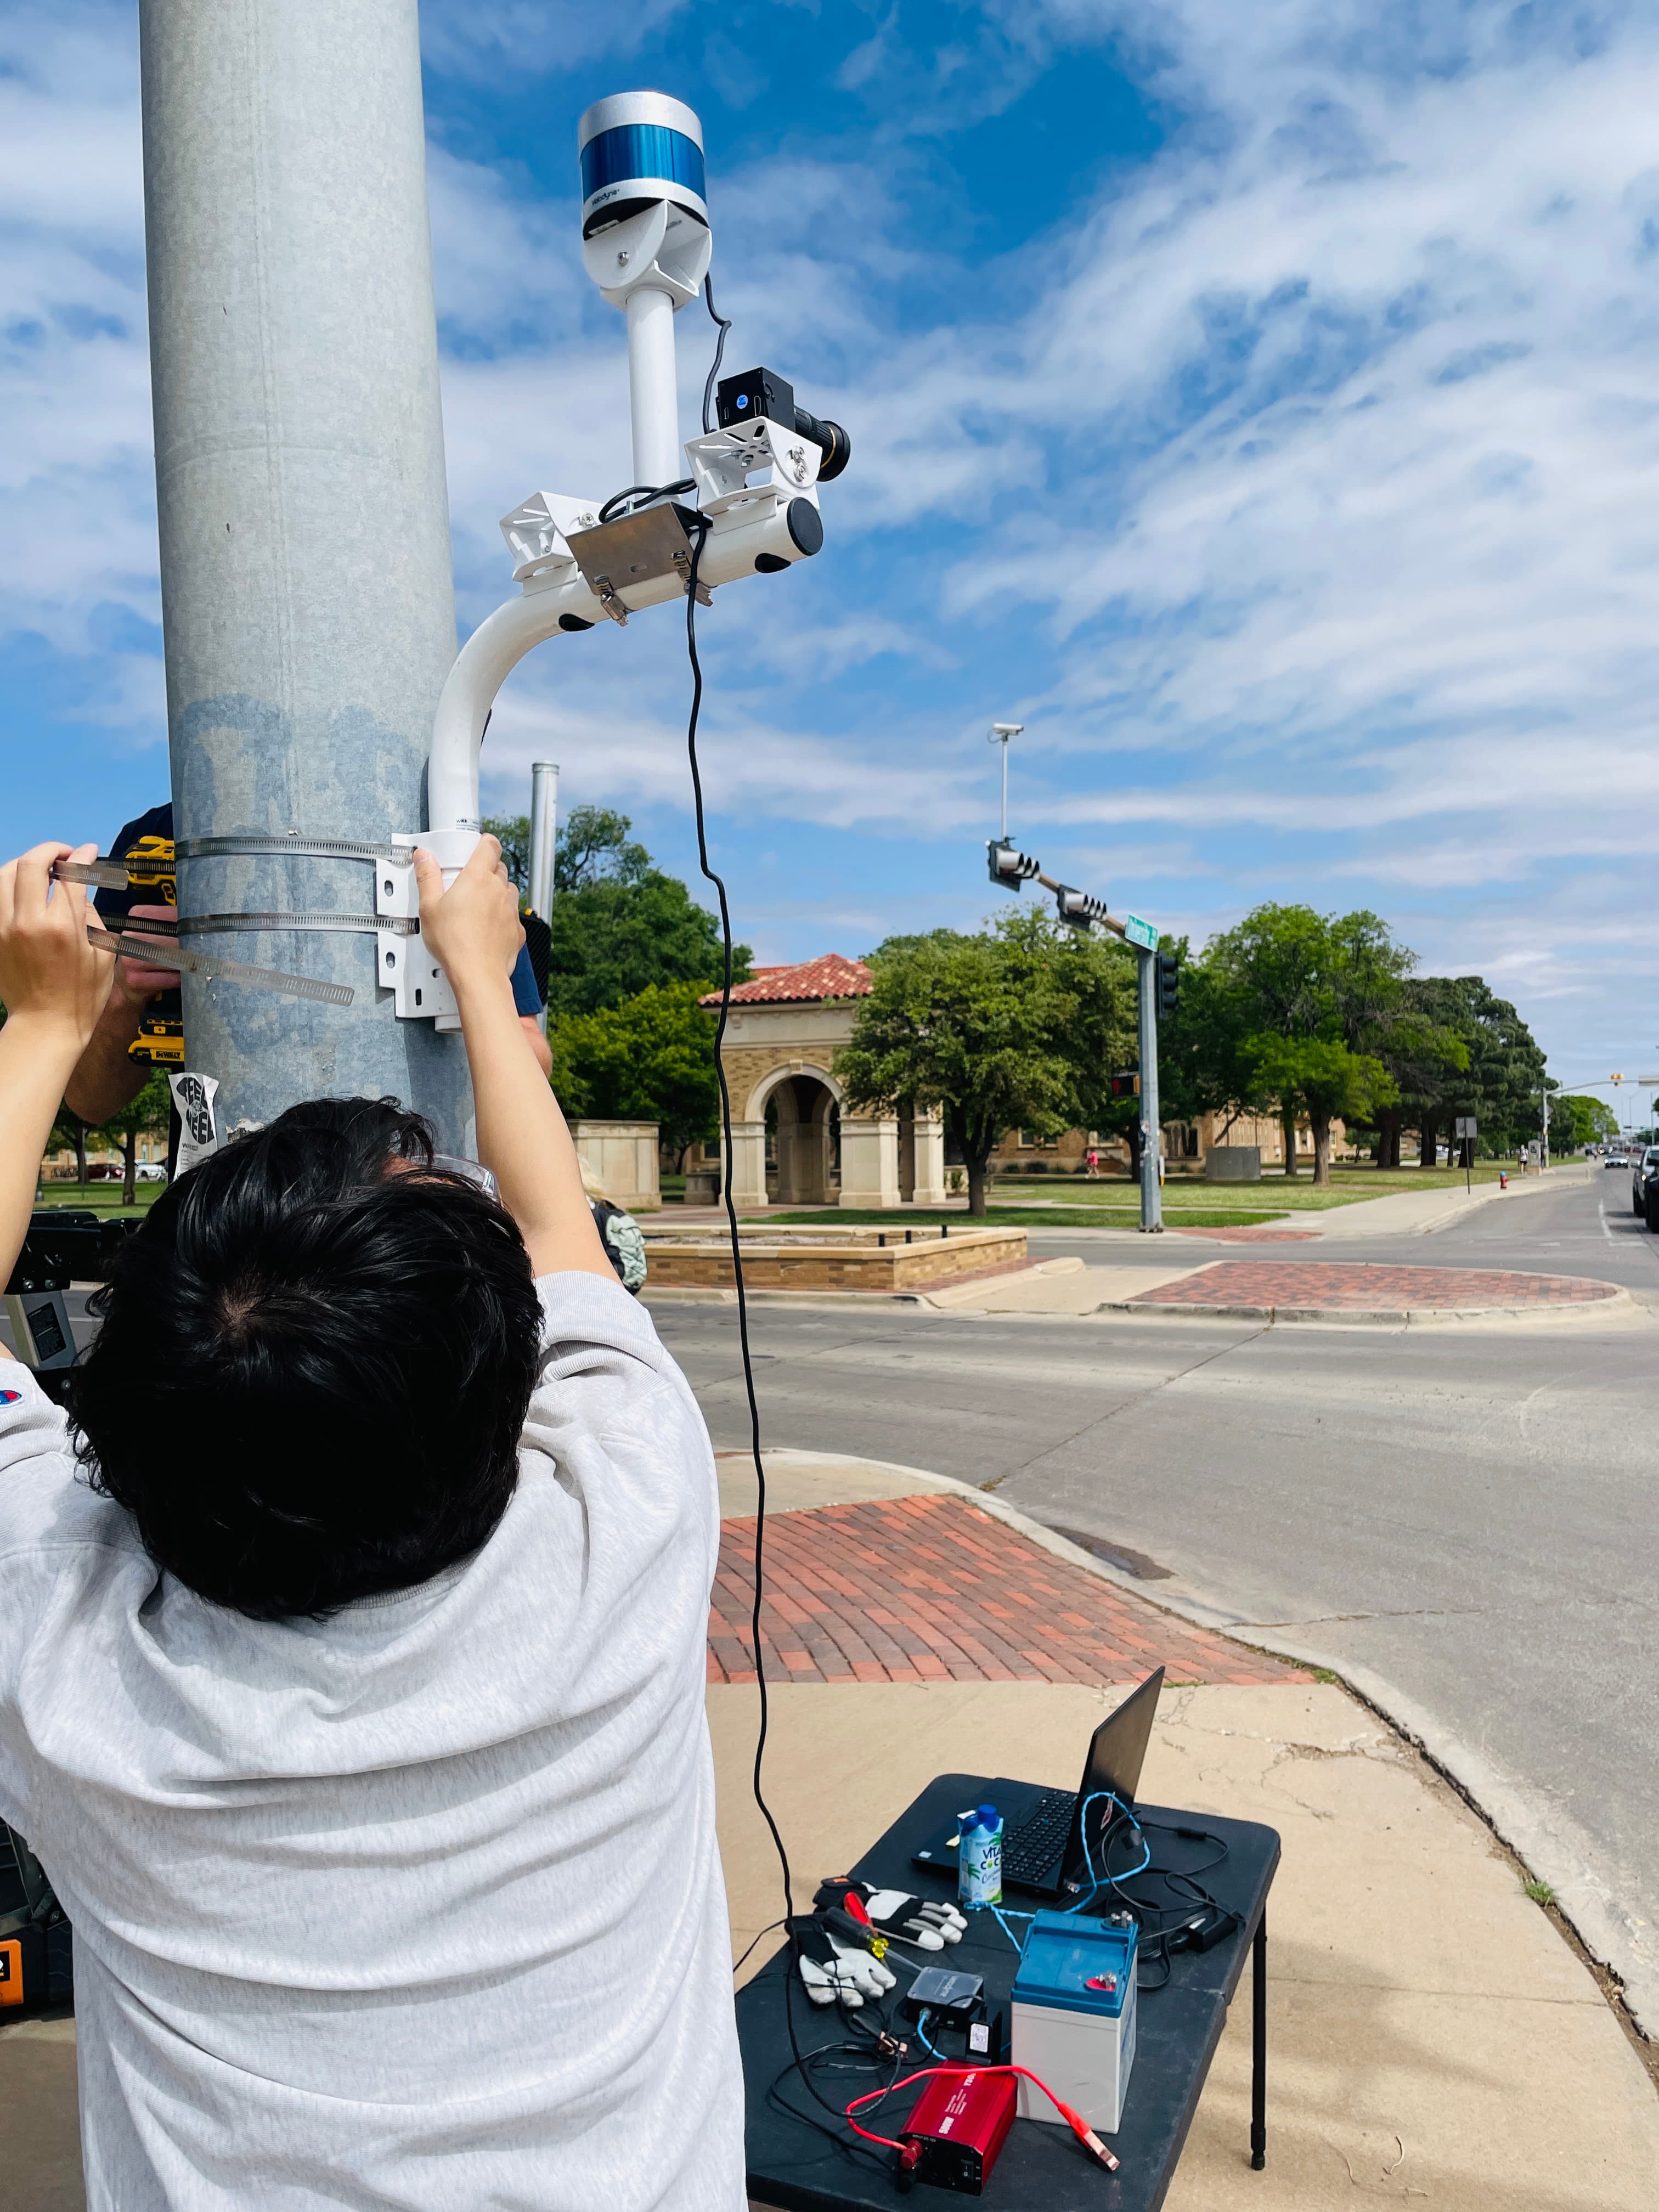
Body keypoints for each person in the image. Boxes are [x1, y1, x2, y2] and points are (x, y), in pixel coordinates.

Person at [0, 838, 743, 2210]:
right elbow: (564, 1233)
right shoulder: (623, 1530)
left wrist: (42, 1025)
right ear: (510, 1389)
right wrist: (478, 964)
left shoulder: (66, 1672)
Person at [64, 804, 554, 1165]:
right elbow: (91, 1101)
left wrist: (475, 982)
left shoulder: (453, 849)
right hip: (221, 1234)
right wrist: (123, 1000)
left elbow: (534, 1058)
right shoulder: (156, 841)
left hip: (412, 1232)